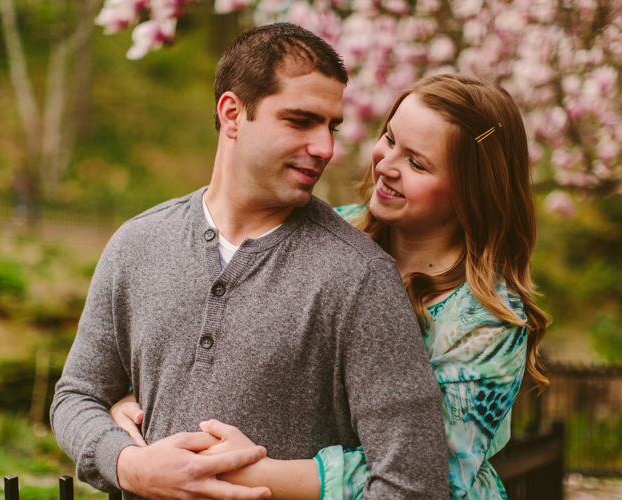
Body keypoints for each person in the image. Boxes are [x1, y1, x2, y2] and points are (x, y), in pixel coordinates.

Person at [50, 22, 449, 500]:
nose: (325, 148)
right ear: (233, 114)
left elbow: (414, 483)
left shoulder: (359, 276)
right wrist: (129, 465)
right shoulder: (137, 245)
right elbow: (76, 396)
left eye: (332, 126)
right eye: (301, 121)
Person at [112, 73, 550, 499]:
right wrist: (146, 397)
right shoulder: (328, 232)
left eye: (417, 163)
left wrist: (256, 471)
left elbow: (437, 470)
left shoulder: (486, 319)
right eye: (391, 139)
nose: (386, 165)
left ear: (473, 190)